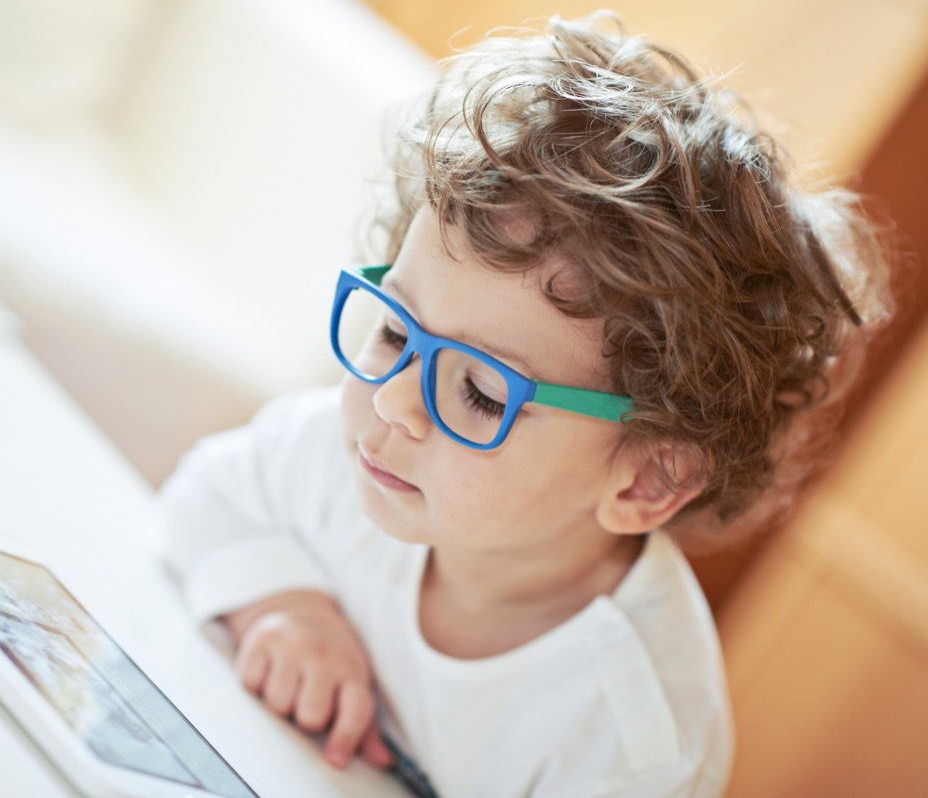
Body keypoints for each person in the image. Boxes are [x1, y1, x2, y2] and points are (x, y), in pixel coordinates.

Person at [159, 12, 891, 797]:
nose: (397, 401)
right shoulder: (359, 463)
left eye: (478, 390)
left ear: (646, 480)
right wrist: (285, 604)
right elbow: (206, 495)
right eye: (395, 334)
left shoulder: (630, 744)